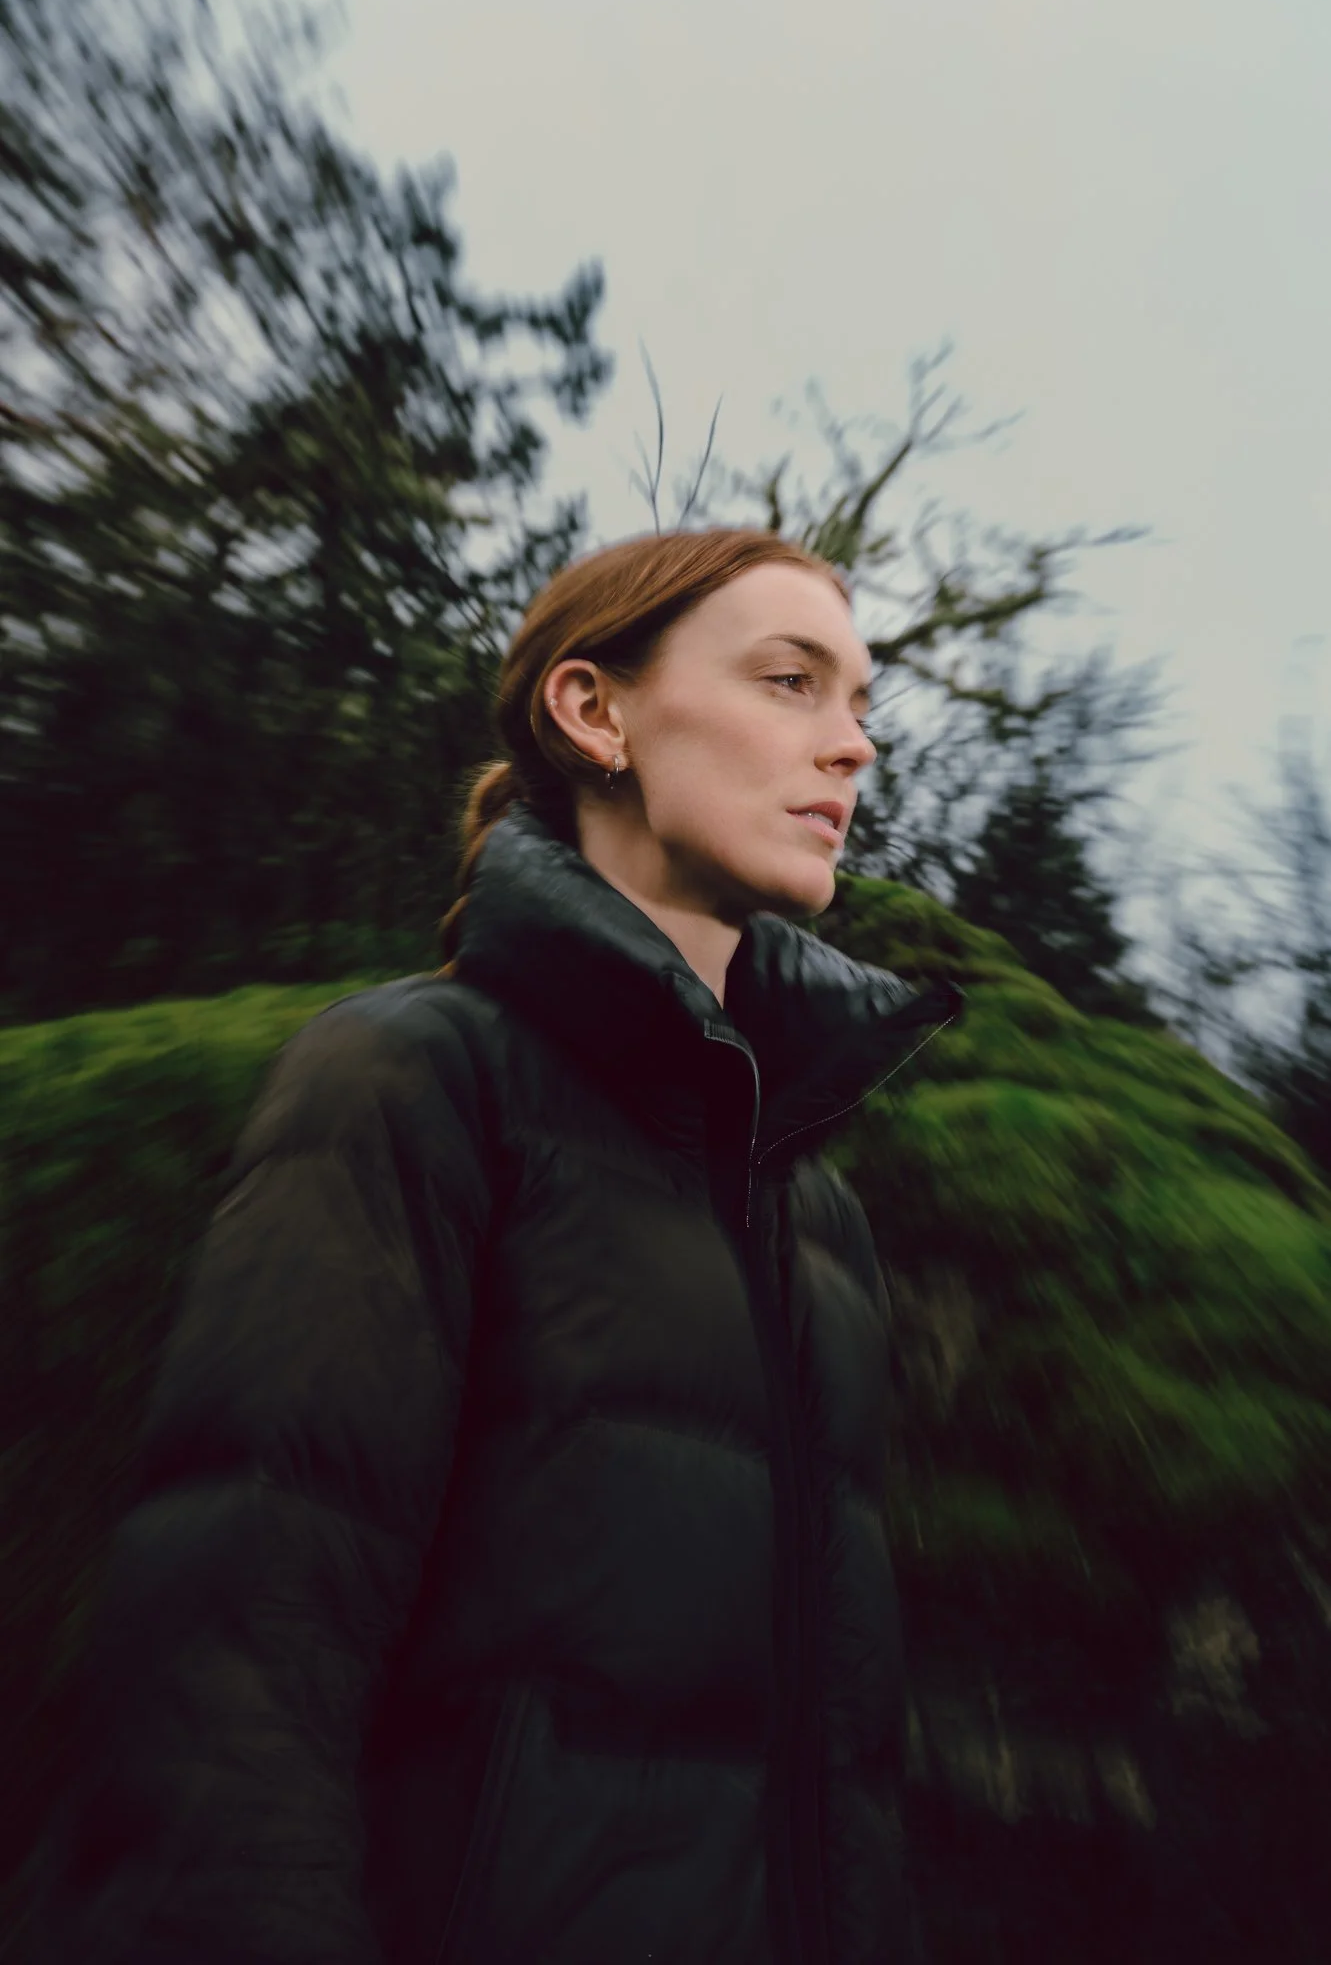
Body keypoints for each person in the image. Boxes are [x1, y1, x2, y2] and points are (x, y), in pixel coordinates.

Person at [34, 527, 960, 1964]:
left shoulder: (817, 1213)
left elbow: (838, 1762)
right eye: (790, 682)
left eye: (858, 702)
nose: (852, 745)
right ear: (594, 713)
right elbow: (239, 1666)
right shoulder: (412, 1082)